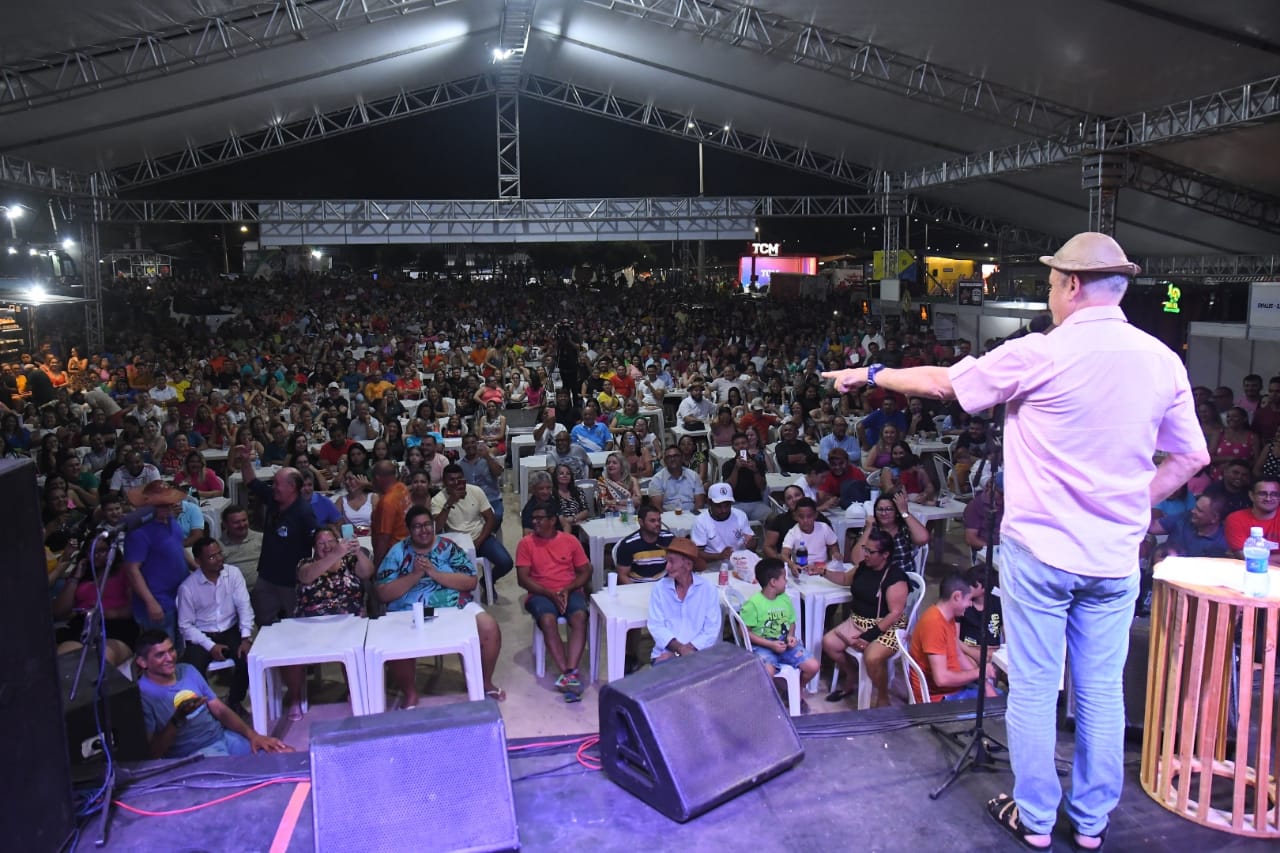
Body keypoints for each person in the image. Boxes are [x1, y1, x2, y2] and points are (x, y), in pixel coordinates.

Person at [823, 232, 1207, 851]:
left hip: (1043, 554)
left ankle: (1034, 820)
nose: (1051, 295)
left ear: (1073, 286)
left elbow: (945, 384)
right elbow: (1190, 455)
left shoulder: (1042, 353)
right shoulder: (1162, 359)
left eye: (1053, 283)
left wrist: (871, 372)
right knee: (1102, 690)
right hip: (1114, 558)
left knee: (1033, 683)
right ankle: (1090, 824)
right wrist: (1131, 505)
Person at [375, 505, 505, 705]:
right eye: (417, 526)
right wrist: (415, 575)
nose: (424, 530)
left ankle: (484, 683)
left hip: (454, 605)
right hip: (413, 610)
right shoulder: (398, 552)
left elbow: (470, 581)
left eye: (427, 524)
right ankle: (410, 693)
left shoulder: (447, 547)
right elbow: (383, 593)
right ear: (409, 530)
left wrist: (434, 573)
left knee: (489, 627)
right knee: (395, 637)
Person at [134, 630, 291, 759]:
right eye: (160, 654)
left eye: (171, 650)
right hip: (194, 755)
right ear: (142, 662)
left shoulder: (187, 670)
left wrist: (254, 736)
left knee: (285, 755)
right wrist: (177, 719)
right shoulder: (142, 695)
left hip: (222, 738)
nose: (170, 658)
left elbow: (219, 709)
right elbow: (152, 753)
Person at [819, 526, 911, 708]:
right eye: (865, 549)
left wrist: (868, 636)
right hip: (859, 621)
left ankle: (883, 697)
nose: (866, 554)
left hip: (888, 626)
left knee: (872, 657)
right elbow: (845, 579)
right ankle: (852, 673)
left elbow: (895, 613)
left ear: (885, 555)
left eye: (870, 551)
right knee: (829, 643)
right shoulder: (863, 567)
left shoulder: (895, 578)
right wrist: (822, 572)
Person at [515, 508, 593, 701]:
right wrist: (549, 593)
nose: (535, 522)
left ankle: (571, 671)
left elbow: (585, 571)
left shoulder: (569, 541)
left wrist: (568, 588)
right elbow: (522, 579)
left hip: (570, 589)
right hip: (540, 593)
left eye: (540, 518)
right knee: (548, 621)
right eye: (533, 519)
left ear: (553, 520)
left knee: (580, 617)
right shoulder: (526, 544)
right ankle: (566, 672)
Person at [176, 537, 254, 718]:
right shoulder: (188, 588)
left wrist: (245, 637)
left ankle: (234, 701)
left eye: (220, 553)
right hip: (202, 634)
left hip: (230, 628)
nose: (219, 559)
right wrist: (210, 646)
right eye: (212, 557)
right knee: (191, 669)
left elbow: (244, 605)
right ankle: (206, 710)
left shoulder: (233, 574)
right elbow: (185, 626)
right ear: (198, 561)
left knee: (248, 660)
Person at [237, 455, 317, 628]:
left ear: (292, 487)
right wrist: (244, 460)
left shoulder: (304, 513)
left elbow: (317, 542)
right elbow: (251, 481)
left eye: (277, 484)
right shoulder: (274, 498)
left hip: (292, 583)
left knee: (298, 625)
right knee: (263, 624)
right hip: (266, 577)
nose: (273, 487)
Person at [908, 572, 999, 704]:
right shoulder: (934, 624)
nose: (969, 605)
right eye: (969, 600)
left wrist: (985, 684)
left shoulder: (947, 618)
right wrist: (979, 673)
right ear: (956, 596)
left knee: (1002, 698)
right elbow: (941, 679)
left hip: (954, 689)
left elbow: (959, 656)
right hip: (941, 699)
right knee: (1005, 704)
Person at [121, 482, 192, 643]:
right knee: (161, 649)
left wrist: (196, 567)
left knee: (180, 645)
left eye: (169, 504)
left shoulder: (171, 521)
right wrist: (150, 602)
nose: (168, 508)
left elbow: (178, 547)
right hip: (158, 600)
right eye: (162, 506)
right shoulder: (138, 532)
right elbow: (132, 570)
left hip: (179, 596)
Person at [741, 557, 819, 693]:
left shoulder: (785, 599)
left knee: (813, 666)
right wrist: (770, 644)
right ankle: (769, 699)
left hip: (784, 643)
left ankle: (797, 691)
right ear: (773, 582)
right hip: (763, 646)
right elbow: (745, 632)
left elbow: (791, 622)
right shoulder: (753, 604)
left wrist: (790, 636)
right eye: (784, 578)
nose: (786, 581)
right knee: (767, 672)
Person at [432, 464, 514, 586]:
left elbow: (490, 518)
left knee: (506, 563)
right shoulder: (437, 500)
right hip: (457, 544)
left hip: (481, 537)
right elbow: (437, 528)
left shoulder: (475, 491)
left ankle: (487, 582)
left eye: (459, 479)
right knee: (458, 576)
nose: (456, 483)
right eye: (451, 480)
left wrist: (479, 541)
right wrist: (449, 503)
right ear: (444, 482)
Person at [646, 538, 722, 664]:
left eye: (671, 562)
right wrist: (680, 649)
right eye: (667, 561)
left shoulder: (707, 589)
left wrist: (685, 652)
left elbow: (711, 629)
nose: (667, 566)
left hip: (699, 653)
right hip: (666, 653)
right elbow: (656, 626)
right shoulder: (660, 588)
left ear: (688, 565)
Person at [690, 483, 755, 569]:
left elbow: (752, 545)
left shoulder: (740, 515)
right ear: (709, 503)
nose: (723, 510)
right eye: (718, 506)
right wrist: (719, 556)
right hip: (712, 569)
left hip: (740, 567)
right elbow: (697, 553)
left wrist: (751, 543)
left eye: (727, 505)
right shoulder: (701, 521)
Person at [1222, 477, 1280, 559]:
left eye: (1274, 494)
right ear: (1251, 495)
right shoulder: (1236, 519)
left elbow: (1250, 557)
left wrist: (1255, 556)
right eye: (1262, 494)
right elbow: (1243, 557)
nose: (1268, 498)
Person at [615, 503, 674, 583]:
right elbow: (622, 575)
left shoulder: (669, 538)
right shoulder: (628, 544)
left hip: (663, 584)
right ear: (641, 522)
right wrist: (636, 591)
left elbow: (678, 566)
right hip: (637, 586)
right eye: (652, 521)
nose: (657, 524)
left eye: (659, 520)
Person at [780, 497, 841, 574]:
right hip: (802, 569)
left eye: (809, 516)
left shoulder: (824, 527)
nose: (805, 520)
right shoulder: (792, 532)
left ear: (815, 515)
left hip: (823, 569)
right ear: (795, 517)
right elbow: (784, 554)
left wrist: (835, 553)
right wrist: (792, 564)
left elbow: (833, 545)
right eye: (801, 517)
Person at [958, 567, 1003, 668]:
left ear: (984, 588)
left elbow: (1008, 635)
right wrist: (974, 653)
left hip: (993, 653)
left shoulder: (998, 603)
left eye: (973, 584)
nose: (967, 586)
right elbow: (953, 638)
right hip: (968, 652)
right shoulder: (962, 604)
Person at [721, 432, 770, 523]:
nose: (741, 446)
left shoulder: (757, 463)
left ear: (748, 444)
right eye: (737, 444)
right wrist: (736, 469)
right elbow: (729, 488)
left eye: (743, 443)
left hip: (756, 503)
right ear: (733, 448)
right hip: (736, 504)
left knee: (771, 517)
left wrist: (755, 471)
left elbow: (762, 487)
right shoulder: (728, 465)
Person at [458, 433, 505, 524]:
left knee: (497, 516)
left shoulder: (488, 458)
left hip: (491, 498)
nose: (470, 445)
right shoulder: (459, 465)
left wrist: (487, 457)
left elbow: (498, 473)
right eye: (467, 443)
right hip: (470, 501)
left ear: (477, 444)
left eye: (473, 443)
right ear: (463, 446)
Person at [648, 446, 706, 512]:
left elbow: (700, 503)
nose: (672, 459)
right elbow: (657, 506)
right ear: (664, 461)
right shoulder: (657, 479)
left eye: (676, 456)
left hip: (691, 514)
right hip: (668, 516)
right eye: (669, 457)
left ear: (682, 458)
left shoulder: (694, 476)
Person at [219, 505, 262, 591]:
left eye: (244, 520)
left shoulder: (261, 539)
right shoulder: (218, 545)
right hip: (231, 593)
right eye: (236, 522)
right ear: (225, 524)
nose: (242, 525)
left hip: (260, 592)